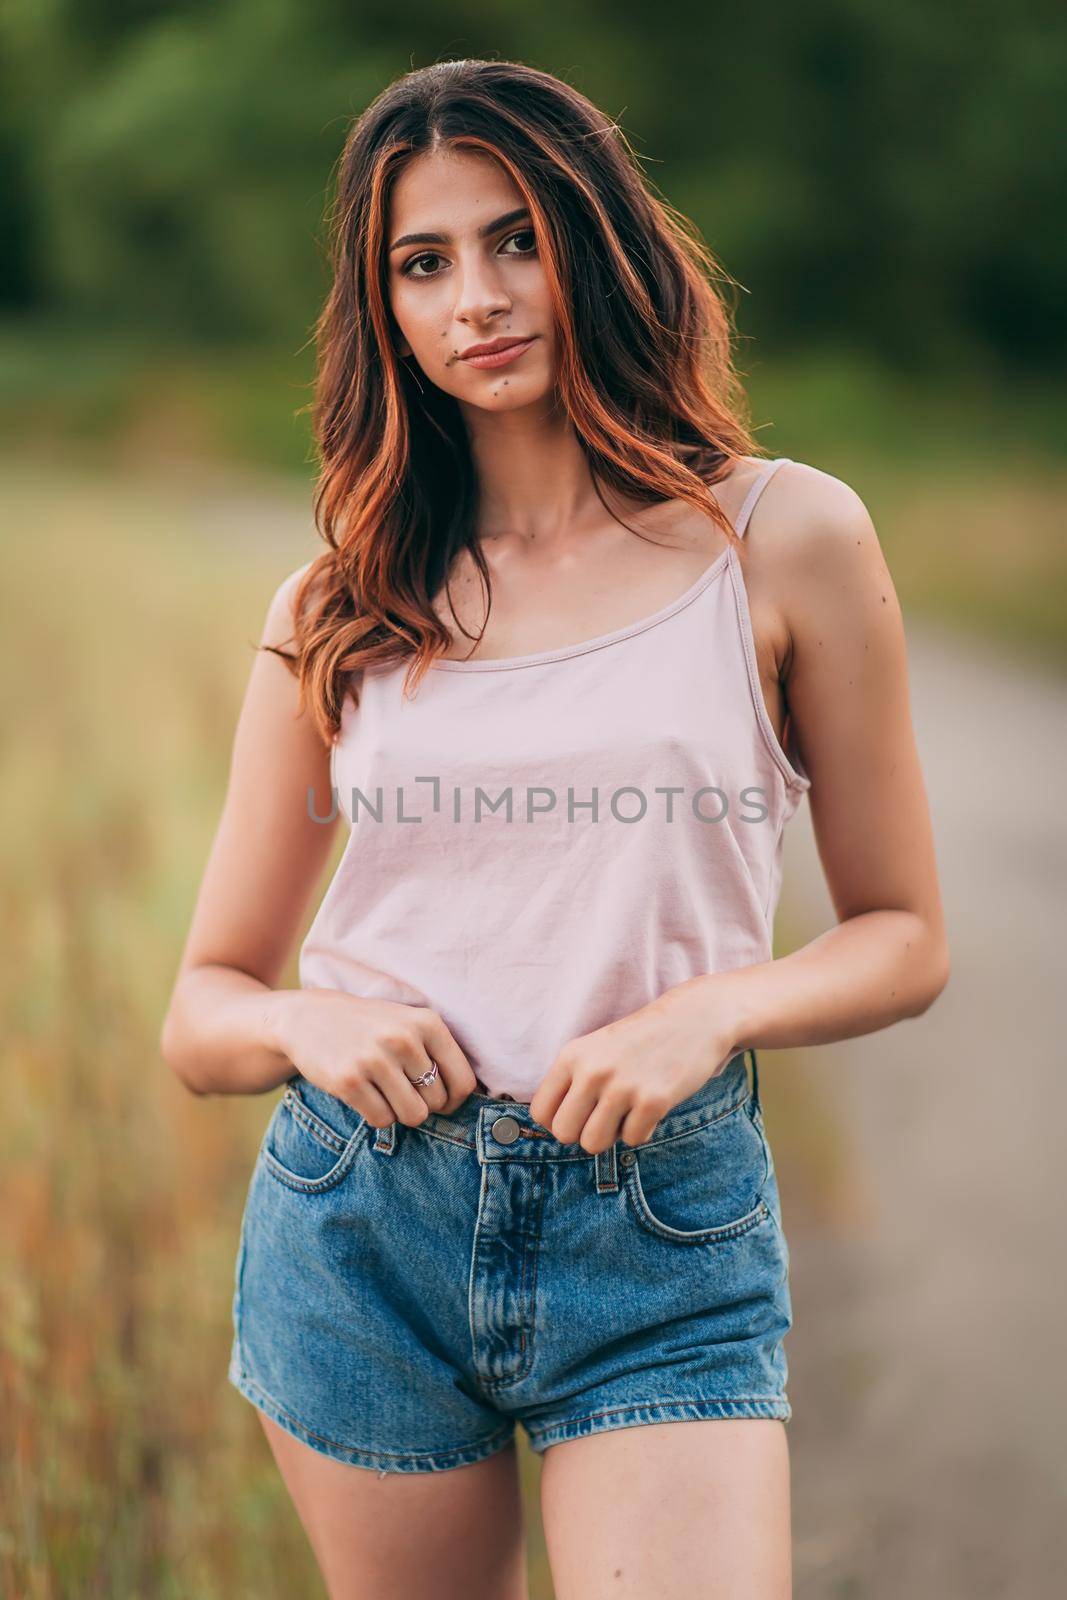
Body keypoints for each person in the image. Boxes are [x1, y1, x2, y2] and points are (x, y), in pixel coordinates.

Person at [160, 57, 949, 1600]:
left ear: (598, 240)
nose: (479, 297)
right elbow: (204, 1010)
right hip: (363, 1226)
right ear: (381, 304)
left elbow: (907, 934)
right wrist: (312, 1028)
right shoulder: (340, 605)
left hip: (658, 1221)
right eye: (425, 261)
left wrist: (711, 1011)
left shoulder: (784, 537)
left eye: (517, 236)